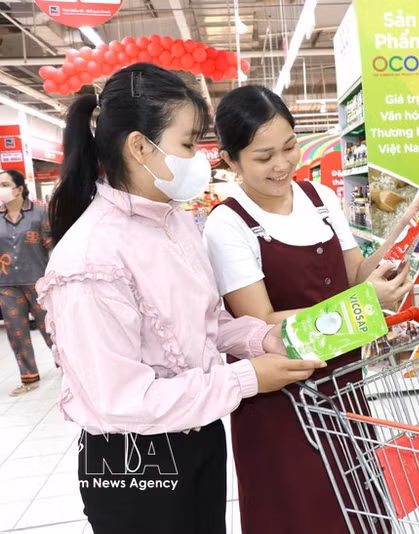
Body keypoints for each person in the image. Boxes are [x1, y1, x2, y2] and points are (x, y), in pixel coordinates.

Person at [38, 64, 324, 534]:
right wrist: (247, 379)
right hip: (136, 465)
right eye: (189, 143)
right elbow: (122, 399)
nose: (201, 159)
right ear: (139, 146)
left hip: (200, 433)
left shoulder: (175, 223)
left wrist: (263, 339)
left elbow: (207, 322)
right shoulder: (90, 259)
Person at [204, 85, 419, 534]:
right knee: (300, 514)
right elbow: (261, 325)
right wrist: (363, 305)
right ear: (230, 160)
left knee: (356, 509)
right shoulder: (227, 223)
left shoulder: (320, 198)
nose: (282, 165)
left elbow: (354, 273)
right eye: (264, 157)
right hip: (278, 401)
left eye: (289, 147)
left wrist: (402, 235)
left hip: (343, 387)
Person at [0, 169, 54, 395]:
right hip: (7, 284)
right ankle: (29, 377)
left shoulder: (39, 213)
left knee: (52, 328)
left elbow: (51, 246)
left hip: (38, 281)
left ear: (19, 188)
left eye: (4, 184)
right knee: (17, 331)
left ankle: (70, 367)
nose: (1, 189)